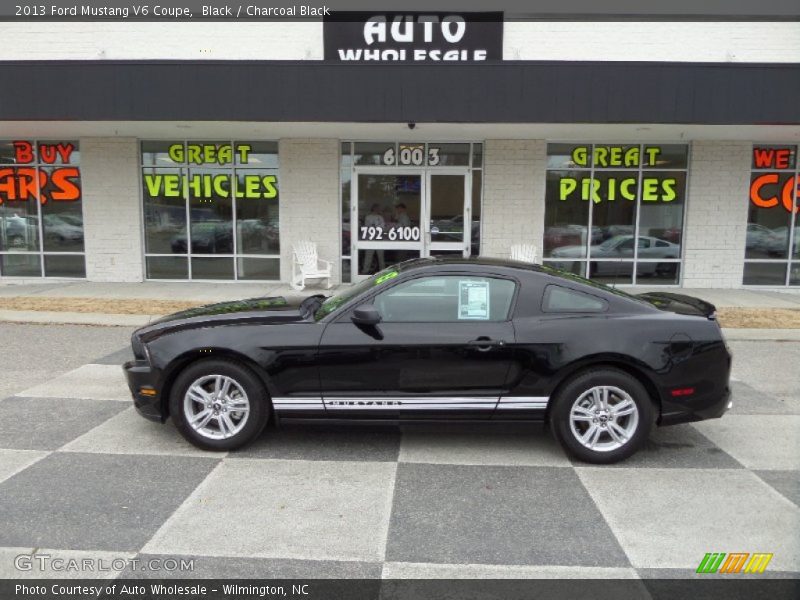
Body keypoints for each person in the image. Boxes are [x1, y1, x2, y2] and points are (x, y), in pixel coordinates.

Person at [362, 203, 386, 274]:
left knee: (381, 256)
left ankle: (383, 271)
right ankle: (365, 271)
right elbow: (366, 227)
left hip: (379, 238)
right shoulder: (368, 217)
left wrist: (377, 227)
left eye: (378, 208)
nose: (378, 209)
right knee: (368, 256)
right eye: (376, 208)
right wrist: (373, 226)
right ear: (373, 208)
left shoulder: (380, 217)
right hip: (370, 238)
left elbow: (383, 227)